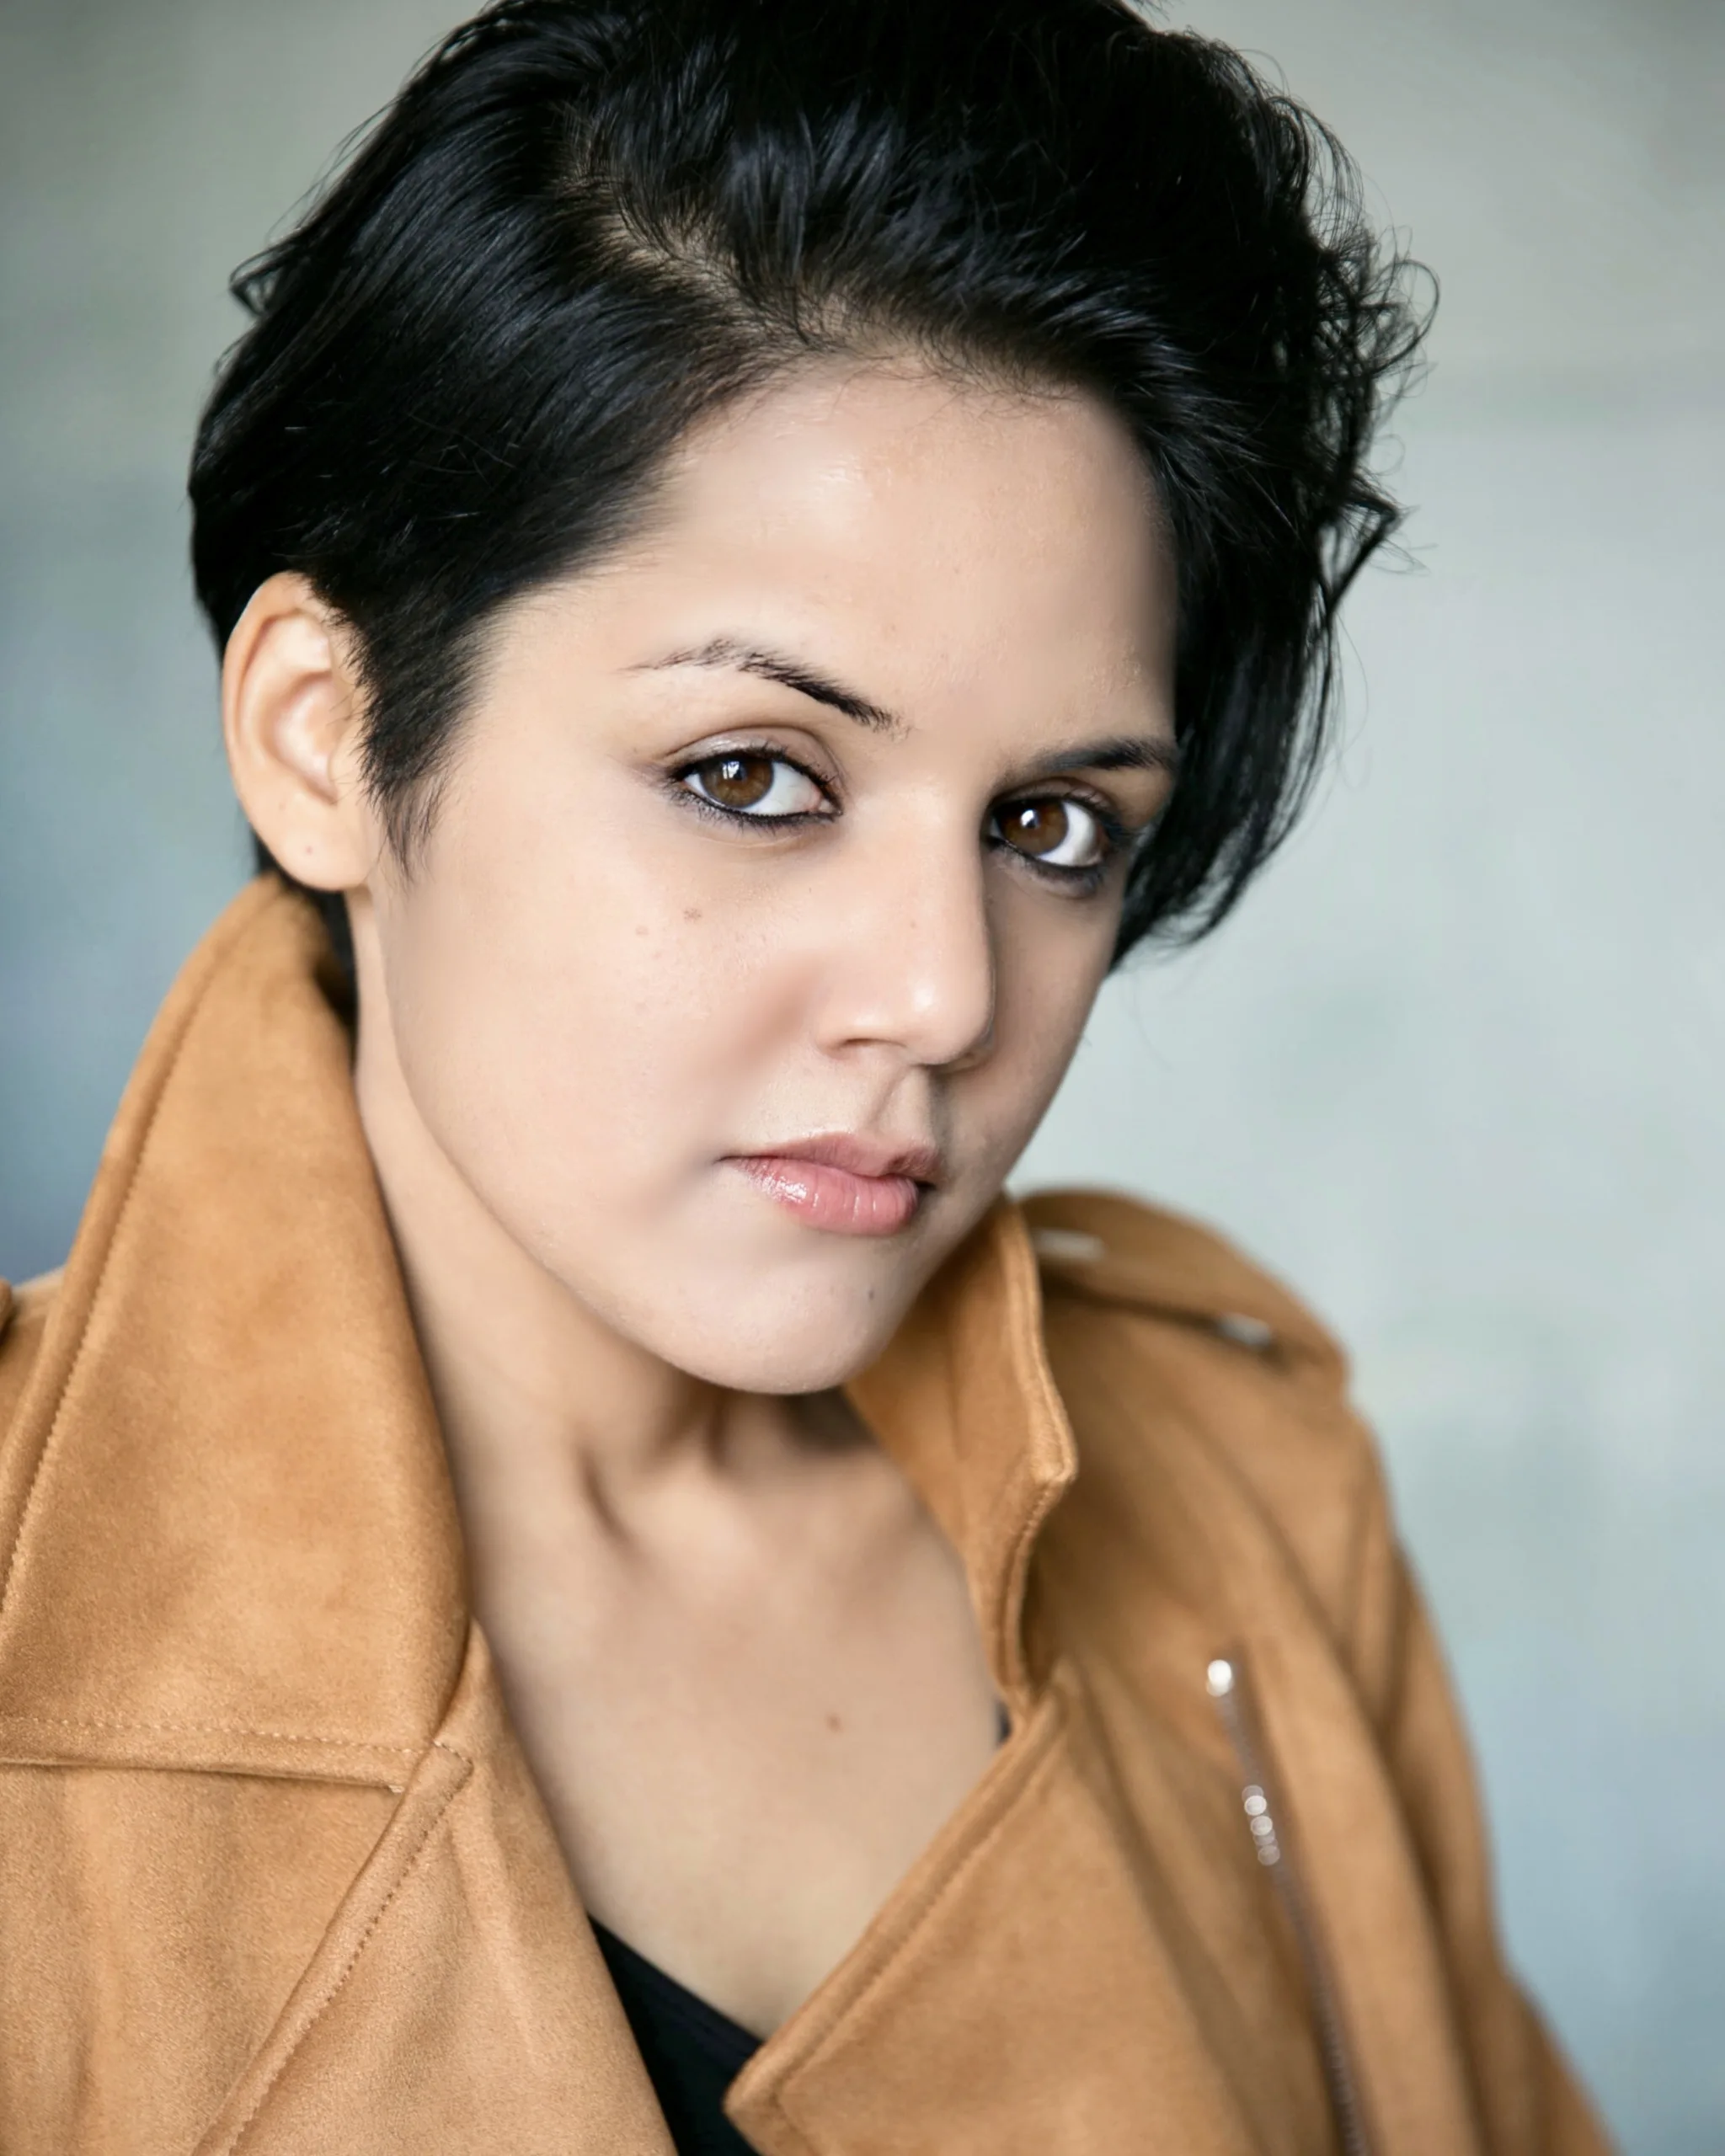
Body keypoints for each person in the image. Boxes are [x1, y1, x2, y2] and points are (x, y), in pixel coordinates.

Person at [0, 2, 1611, 2149]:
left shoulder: (1242, 1499)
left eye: (1052, 824)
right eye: (752, 775)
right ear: (325, 733)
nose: (943, 992)